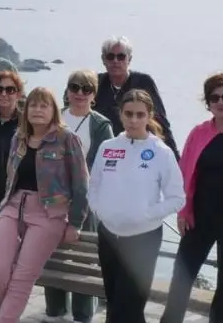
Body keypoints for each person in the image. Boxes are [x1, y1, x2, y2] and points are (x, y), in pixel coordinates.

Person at [161, 71, 223, 323]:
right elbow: (184, 172)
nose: (220, 101)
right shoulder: (199, 132)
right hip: (200, 217)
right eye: (214, 97)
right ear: (208, 103)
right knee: (181, 278)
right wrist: (183, 211)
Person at [0, 87, 89, 322]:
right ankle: (7, 315)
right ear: (26, 109)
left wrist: (74, 223)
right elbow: (10, 182)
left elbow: (82, 185)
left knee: (23, 276)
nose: (38, 110)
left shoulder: (67, 139)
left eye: (44, 105)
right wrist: (0, 212)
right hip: (13, 208)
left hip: (48, 215)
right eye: (33, 105)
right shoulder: (18, 138)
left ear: (53, 110)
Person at [87, 89, 184, 323]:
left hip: (143, 238)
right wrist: (100, 210)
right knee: (115, 302)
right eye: (128, 113)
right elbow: (94, 186)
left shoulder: (161, 152)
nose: (133, 120)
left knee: (125, 307)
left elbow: (177, 198)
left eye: (140, 115)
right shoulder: (108, 146)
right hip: (109, 235)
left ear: (149, 115)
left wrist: (147, 215)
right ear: (120, 114)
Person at [44, 69, 114, 323]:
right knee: (53, 256)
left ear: (94, 94)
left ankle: (83, 315)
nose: (80, 93)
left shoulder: (101, 125)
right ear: (67, 90)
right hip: (53, 201)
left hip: (85, 203)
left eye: (87, 89)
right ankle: (54, 311)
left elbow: (105, 167)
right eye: (75, 87)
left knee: (84, 261)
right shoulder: (55, 118)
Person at [93, 36, 176, 153]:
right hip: (106, 150)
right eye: (110, 57)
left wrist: (175, 157)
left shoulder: (143, 82)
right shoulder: (97, 83)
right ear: (103, 60)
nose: (115, 61)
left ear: (129, 59)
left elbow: (161, 122)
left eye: (121, 57)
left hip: (140, 147)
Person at [0, 70, 25, 218]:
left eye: (10, 90)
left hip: (15, 195)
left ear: (18, 94)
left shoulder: (27, 124)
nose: (4, 94)